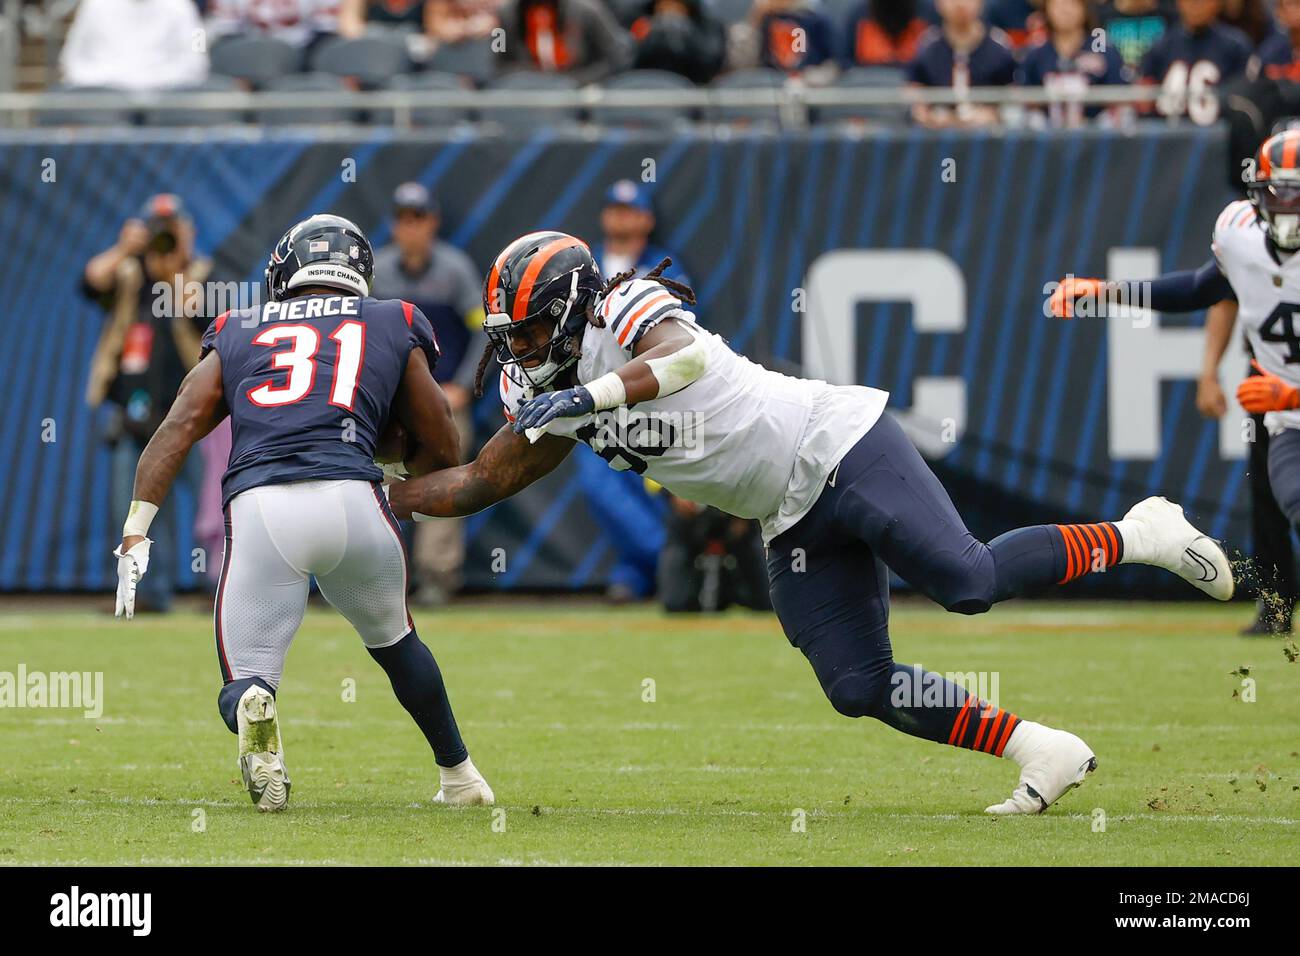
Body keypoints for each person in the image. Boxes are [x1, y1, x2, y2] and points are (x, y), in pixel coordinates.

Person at [389, 231, 1234, 815]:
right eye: (512, 334)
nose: (523, 347)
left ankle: (1141, 532)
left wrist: (595, 394)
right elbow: (479, 481)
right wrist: (375, 490)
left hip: (836, 441)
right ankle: (1039, 749)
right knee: (857, 685)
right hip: (783, 512)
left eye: (533, 328)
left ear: (573, 306)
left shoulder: (627, 304)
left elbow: (680, 357)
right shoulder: (536, 387)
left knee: (967, 582)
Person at [112, 214, 493, 811]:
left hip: (265, 508)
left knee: (242, 680)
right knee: (397, 643)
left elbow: (179, 426)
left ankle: (255, 703)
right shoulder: (392, 318)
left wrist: (137, 531)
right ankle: (461, 775)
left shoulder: (238, 327)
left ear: (283, 270)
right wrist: (391, 456)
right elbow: (444, 444)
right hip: (355, 501)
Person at [1050, 132, 1300, 634]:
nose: (1288, 206)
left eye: (1299, 193)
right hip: (1288, 421)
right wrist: (1106, 291)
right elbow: (1197, 288)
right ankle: (1276, 613)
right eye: (1280, 192)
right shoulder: (1240, 237)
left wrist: (1289, 391)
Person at [84, 195, 212, 613]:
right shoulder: (128, 272)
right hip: (132, 411)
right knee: (133, 505)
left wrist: (176, 265)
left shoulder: (200, 274)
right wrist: (126, 247)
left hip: (189, 414)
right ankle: (141, 596)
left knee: (211, 504)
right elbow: (90, 281)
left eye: (169, 231)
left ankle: (221, 586)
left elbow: (204, 317)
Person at [371, 183, 484, 604]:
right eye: (402, 219)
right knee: (373, 486)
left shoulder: (455, 269)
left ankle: (438, 577)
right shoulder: (377, 271)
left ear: (433, 221)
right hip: (385, 404)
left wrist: (465, 387)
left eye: (418, 218)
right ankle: (376, 578)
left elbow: (484, 328)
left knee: (442, 484)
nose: (410, 227)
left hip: (441, 402)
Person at [906, 0, 1017, 128]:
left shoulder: (1000, 46)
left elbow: (1013, 97)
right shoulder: (926, 46)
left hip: (990, 137)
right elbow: (914, 94)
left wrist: (995, 114)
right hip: (938, 137)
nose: (960, 4)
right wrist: (928, 116)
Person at [1016, 0, 1128, 126]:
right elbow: (1026, 96)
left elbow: (1118, 96)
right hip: (1048, 134)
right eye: (1058, 4)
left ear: (1084, 9)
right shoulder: (1035, 55)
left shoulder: (1104, 51)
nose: (1065, 10)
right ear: (1047, 10)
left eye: (1072, 3)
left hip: (1095, 133)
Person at [1138, 0, 1252, 123]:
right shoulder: (1160, 47)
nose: (1196, 6)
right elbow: (1144, 104)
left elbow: (1244, 100)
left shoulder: (1235, 47)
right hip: (1169, 135)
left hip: (1220, 134)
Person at [61, 0, 208, 90]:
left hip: (165, 97)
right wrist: (105, 80)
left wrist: (154, 81)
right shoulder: (92, 4)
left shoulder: (185, 6)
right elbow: (70, 59)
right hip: (104, 96)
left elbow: (199, 58)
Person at [497, 0, 633, 84]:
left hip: (581, 92)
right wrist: (532, 77)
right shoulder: (504, 15)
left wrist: (578, 80)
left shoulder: (589, 10)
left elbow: (617, 58)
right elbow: (496, 63)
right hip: (529, 95)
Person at [629, 0, 727, 83]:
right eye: (665, 5)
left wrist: (687, 34)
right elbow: (628, 64)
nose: (670, 11)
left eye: (676, 5)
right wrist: (653, 35)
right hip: (645, 88)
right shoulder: (639, 21)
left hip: (694, 91)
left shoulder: (707, 25)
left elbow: (711, 64)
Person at [208, 0, 339, 51]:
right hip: (251, 52)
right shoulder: (188, 10)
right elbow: (225, 33)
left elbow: (326, 33)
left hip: (304, 55)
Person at [842, 0, 932, 68]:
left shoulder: (927, 14)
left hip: (916, 89)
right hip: (868, 87)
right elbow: (846, 63)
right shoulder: (858, 16)